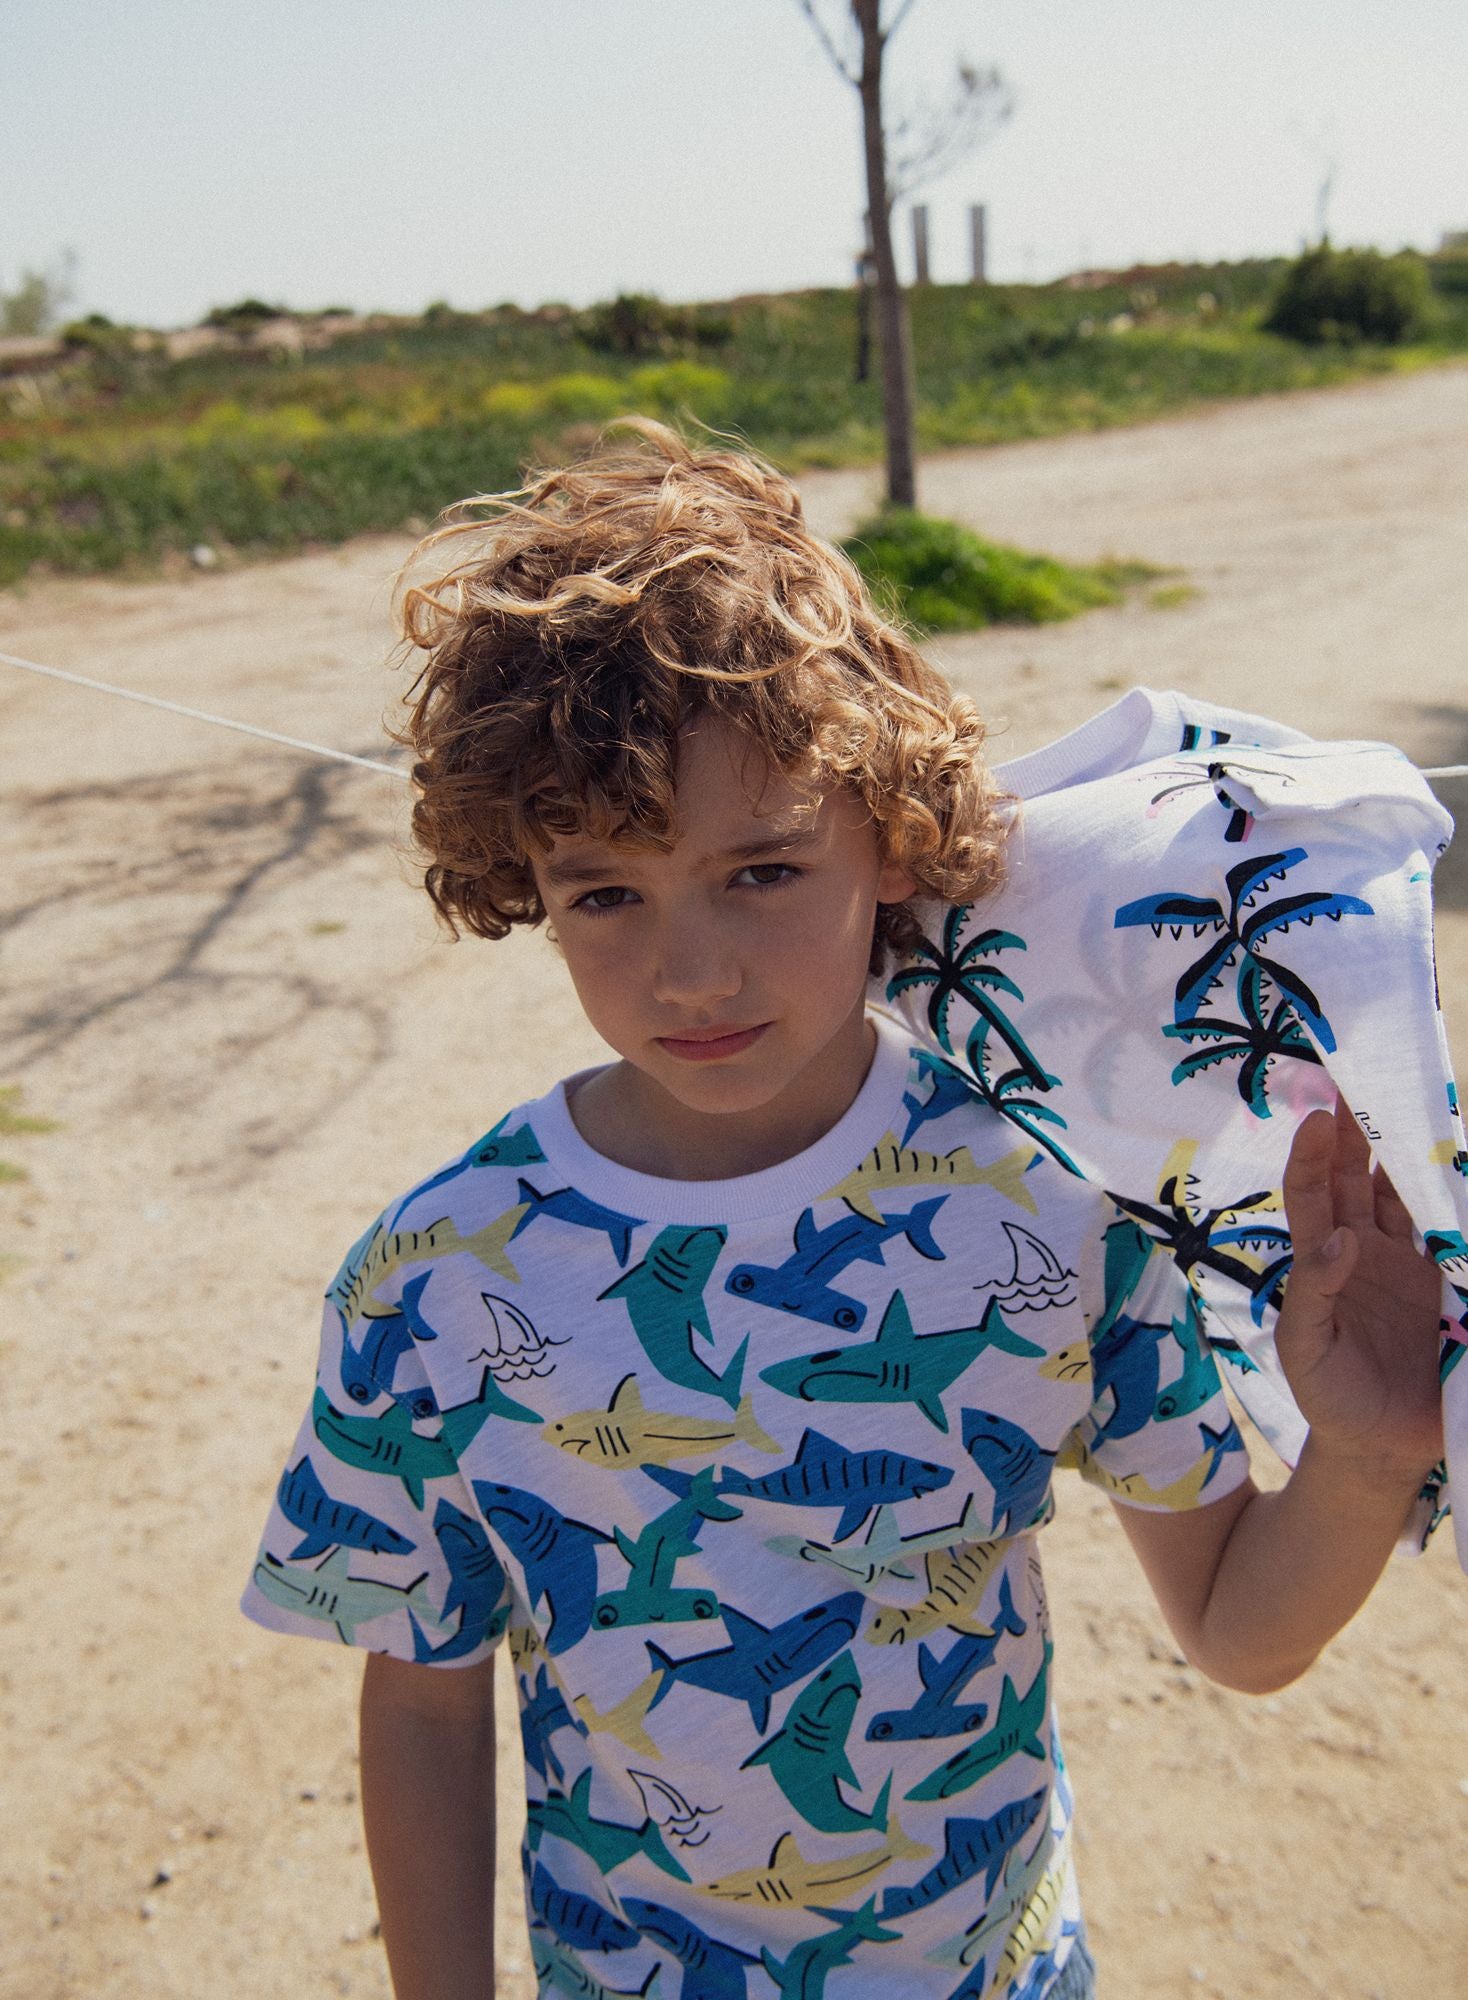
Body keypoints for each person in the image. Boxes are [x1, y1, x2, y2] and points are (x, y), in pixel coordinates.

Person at [240, 422, 1444, 2000]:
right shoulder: (438, 1279)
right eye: (607, 893)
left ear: (889, 833)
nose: (692, 973)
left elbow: (1240, 1631)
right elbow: (419, 1703)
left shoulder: (1053, 1197)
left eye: (762, 870)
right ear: (525, 881)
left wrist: (1366, 1452)